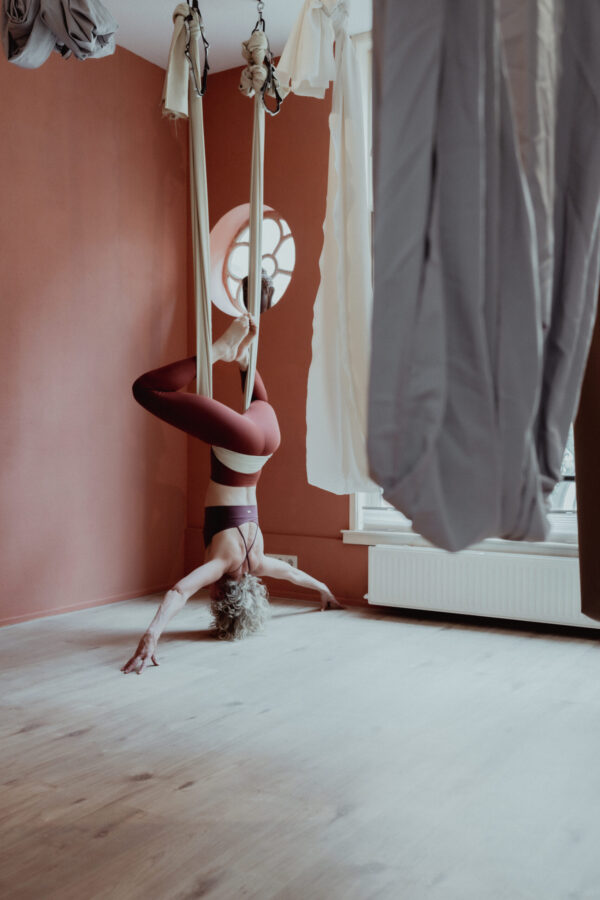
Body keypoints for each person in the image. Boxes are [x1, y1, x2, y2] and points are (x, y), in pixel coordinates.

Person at [122, 278, 341, 675]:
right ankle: (224, 350)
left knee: (258, 401)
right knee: (146, 390)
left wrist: (324, 591)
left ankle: (243, 360)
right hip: (239, 446)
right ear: (222, 594)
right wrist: (152, 634)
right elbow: (178, 591)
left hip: (269, 439)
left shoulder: (257, 562)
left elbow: (293, 574)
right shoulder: (224, 563)